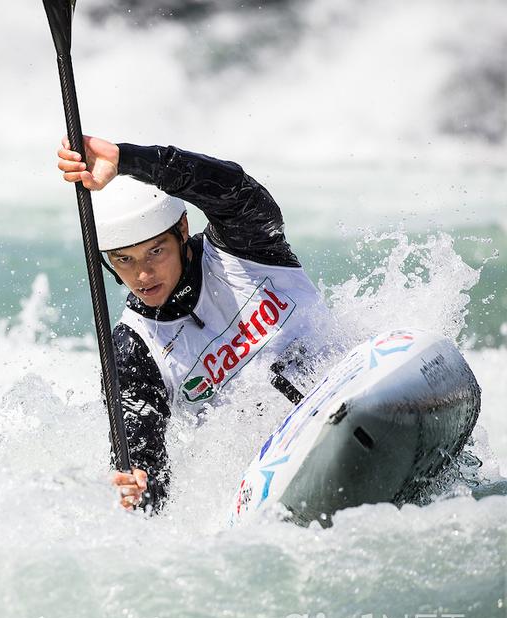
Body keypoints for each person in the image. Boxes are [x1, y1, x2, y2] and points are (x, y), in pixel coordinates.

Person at [57, 135, 329, 513]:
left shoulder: (244, 245)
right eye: (123, 260)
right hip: (276, 475)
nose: (143, 274)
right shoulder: (133, 350)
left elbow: (229, 184)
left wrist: (127, 159)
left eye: (155, 251)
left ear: (182, 230)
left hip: (339, 391)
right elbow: (146, 462)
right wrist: (136, 485)